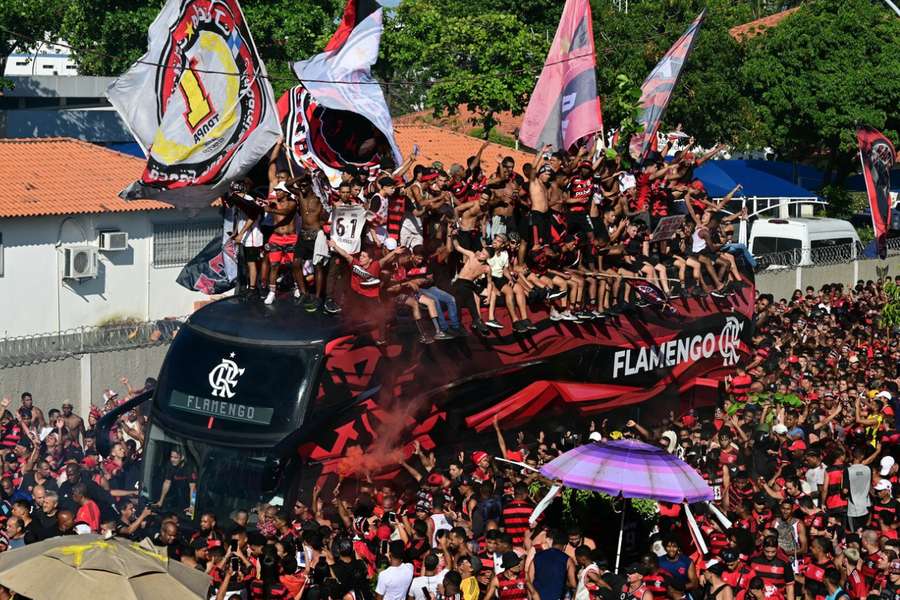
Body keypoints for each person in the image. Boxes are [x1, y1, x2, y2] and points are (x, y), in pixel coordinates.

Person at [529, 530, 576, 600]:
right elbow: (573, 584)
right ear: (564, 546)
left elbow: (529, 579)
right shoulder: (567, 559)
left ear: (553, 542)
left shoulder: (537, 557)